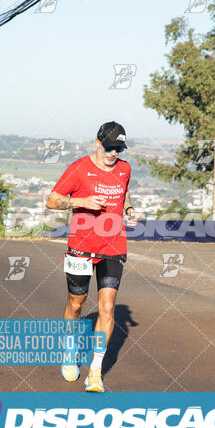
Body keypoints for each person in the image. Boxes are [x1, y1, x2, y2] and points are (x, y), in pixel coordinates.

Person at [46, 121, 142, 392]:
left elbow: (124, 194)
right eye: (110, 147)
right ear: (98, 142)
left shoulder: (124, 169)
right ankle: (69, 350)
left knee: (108, 308)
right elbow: (52, 200)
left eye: (119, 148)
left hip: (113, 245)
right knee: (76, 304)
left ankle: (95, 371)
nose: (114, 153)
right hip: (81, 245)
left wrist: (130, 210)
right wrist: (81, 202)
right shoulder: (79, 169)